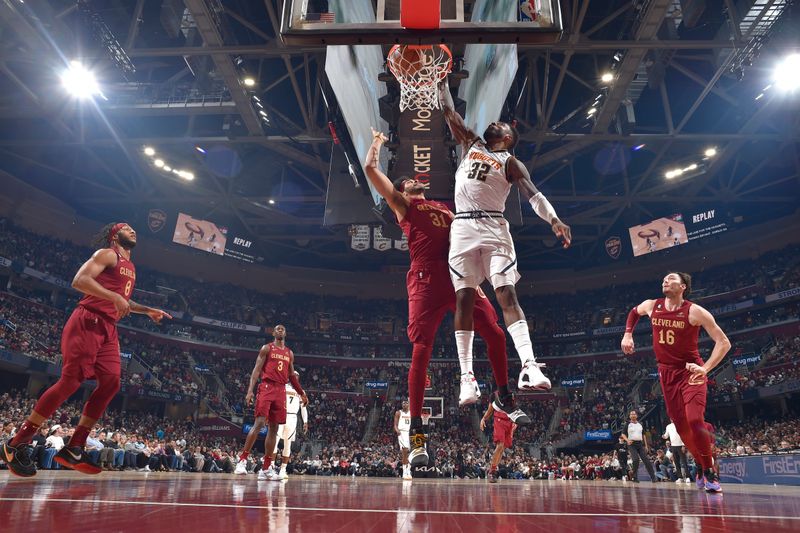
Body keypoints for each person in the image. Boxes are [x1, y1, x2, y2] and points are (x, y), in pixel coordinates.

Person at [365, 128, 531, 468]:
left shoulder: (445, 207)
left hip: (459, 276)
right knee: (421, 351)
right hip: (425, 279)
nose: (412, 179)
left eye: (413, 178)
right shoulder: (403, 206)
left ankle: (504, 394)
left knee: (496, 333)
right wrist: (378, 143)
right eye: (407, 180)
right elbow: (370, 171)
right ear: (402, 192)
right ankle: (417, 437)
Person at [438, 81, 572, 403]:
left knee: (506, 295)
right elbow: (448, 112)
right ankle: (466, 377)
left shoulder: (511, 163)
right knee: (465, 300)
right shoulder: (471, 143)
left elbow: (533, 194)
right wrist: (441, 81)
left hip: (494, 227)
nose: (493, 123)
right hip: (464, 227)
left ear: (507, 138)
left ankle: (529, 366)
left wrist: (554, 219)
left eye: (499, 125)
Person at [1, 223, 171, 477]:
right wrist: (113, 298)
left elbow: (122, 299)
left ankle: (75, 447)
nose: (133, 231)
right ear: (115, 235)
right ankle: (17, 443)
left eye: (134, 229)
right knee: (71, 382)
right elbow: (80, 281)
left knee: (112, 382)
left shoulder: (131, 267)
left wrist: (147, 310)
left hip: (108, 328)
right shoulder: (107, 254)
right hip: (87, 320)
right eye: (127, 228)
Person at [621, 272, 731, 493]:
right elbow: (634, 312)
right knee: (681, 427)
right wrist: (627, 335)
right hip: (666, 374)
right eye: (663, 278)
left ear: (682, 287)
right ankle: (700, 464)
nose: (664, 281)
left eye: (670, 279)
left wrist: (705, 368)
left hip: (692, 372)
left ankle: (709, 471)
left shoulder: (695, 311)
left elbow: (723, 342)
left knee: (694, 420)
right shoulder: (653, 305)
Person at [235, 325, 307, 480]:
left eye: (282, 329)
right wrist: (250, 390)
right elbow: (256, 370)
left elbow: (292, 377)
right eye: (277, 329)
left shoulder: (289, 353)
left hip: (280, 389)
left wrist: (301, 393)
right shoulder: (266, 348)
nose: (280, 330)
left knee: (274, 429)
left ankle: (266, 468)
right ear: (274, 333)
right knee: (260, 423)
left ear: (286, 333)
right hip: (267, 387)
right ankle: (242, 461)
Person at [270, 373, 309, 480]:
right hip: (280, 415)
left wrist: (305, 421)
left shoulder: (301, 391)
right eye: (293, 376)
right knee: (274, 441)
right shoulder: (281, 387)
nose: (295, 378)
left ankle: (283, 469)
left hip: (292, 418)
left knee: (288, 445)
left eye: (297, 377)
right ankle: (271, 467)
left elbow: (303, 408)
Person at [480, 401, 517, 484]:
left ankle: (494, 470)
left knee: (503, 448)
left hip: (510, 421)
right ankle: (491, 471)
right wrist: (484, 418)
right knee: (500, 445)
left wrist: (516, 421)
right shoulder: (494, 395)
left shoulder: (511, 394)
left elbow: (514, 408)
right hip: (499, 420)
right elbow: (490, 410)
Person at [621, 410, 656, 482]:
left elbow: (644, 435)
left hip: (640, 444)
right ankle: (634, 477)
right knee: (635, 460)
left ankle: (653, 477)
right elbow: (623, 434)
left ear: (636, 415)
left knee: (646, 461)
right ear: (630, 416)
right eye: (631, 414)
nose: (633, 415)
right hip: (631, 444)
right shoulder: (627, 424)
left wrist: (646, 446)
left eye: (634, 414)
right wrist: (627, 440)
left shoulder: (640, 424)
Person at [394, 399, 413, 480]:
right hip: (402, 432)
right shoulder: (398, 412)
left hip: (410, 433)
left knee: (410, 453)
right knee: (405, 451)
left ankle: (408, 470)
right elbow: (395, 424)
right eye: (403, 403)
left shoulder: (411, 413)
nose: (404, 404)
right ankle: (405, 472)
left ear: (409, 404)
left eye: (406, 403)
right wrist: (397, 430)